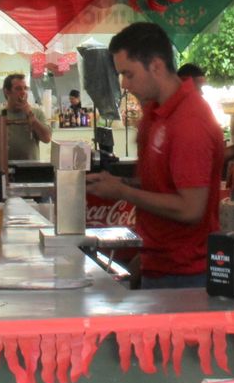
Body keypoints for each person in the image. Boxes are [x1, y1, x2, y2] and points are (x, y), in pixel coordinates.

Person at [87, 23, 224, 289]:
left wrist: (123, 192)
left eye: (129, 74)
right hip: (160, 265)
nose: (124, 84)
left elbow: (191, 208)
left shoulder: (190, 120)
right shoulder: (156, 113)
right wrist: (120, 184)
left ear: (156, 66)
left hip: (186, 274)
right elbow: (162, 185)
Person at [0, 73, 52, 168]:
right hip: (3, 168)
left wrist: (32, 118)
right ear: (7, 91)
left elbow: (47, 138)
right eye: (18, 89)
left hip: (30, 169)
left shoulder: (37, 113)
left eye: (25, 88)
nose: (23, 92)